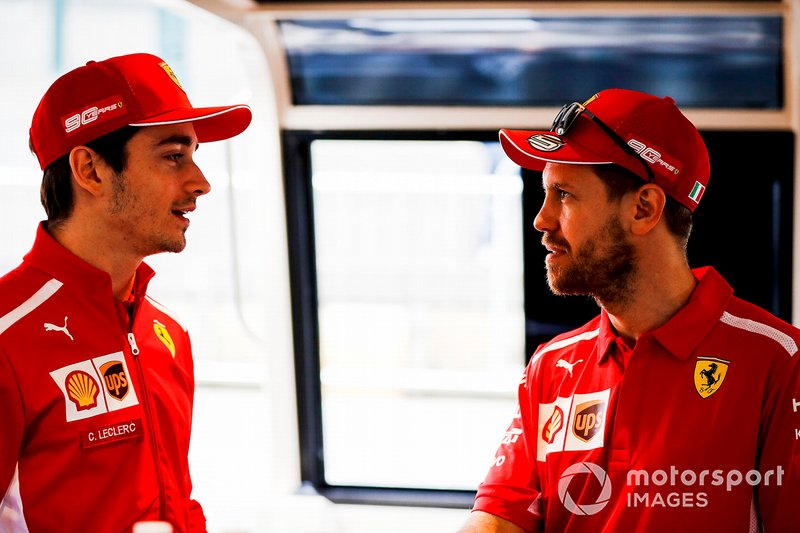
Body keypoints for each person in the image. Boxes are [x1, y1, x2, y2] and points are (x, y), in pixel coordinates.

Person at [458, 88, 800, 532]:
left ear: (643, 208)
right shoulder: (551, 365)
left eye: (563, 194)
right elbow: (499, 517)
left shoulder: (778, 360)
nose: (541, 220)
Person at [0, 53, 251, 532]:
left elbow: (179, 505)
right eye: (173, 156)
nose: (201, 183)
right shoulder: (6, 338)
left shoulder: (167, 333)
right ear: (90, 170)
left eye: (194, 157)